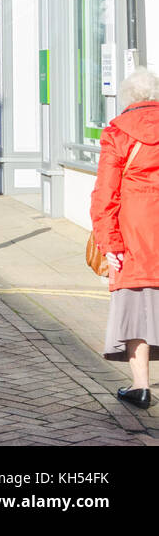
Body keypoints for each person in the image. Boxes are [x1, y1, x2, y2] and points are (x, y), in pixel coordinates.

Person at [91, 68, 159, 408]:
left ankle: (141, 386)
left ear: (128, 99)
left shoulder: (117, 133)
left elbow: (105, 195)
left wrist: (109, 243)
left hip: (134, 234)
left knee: (136, 308)